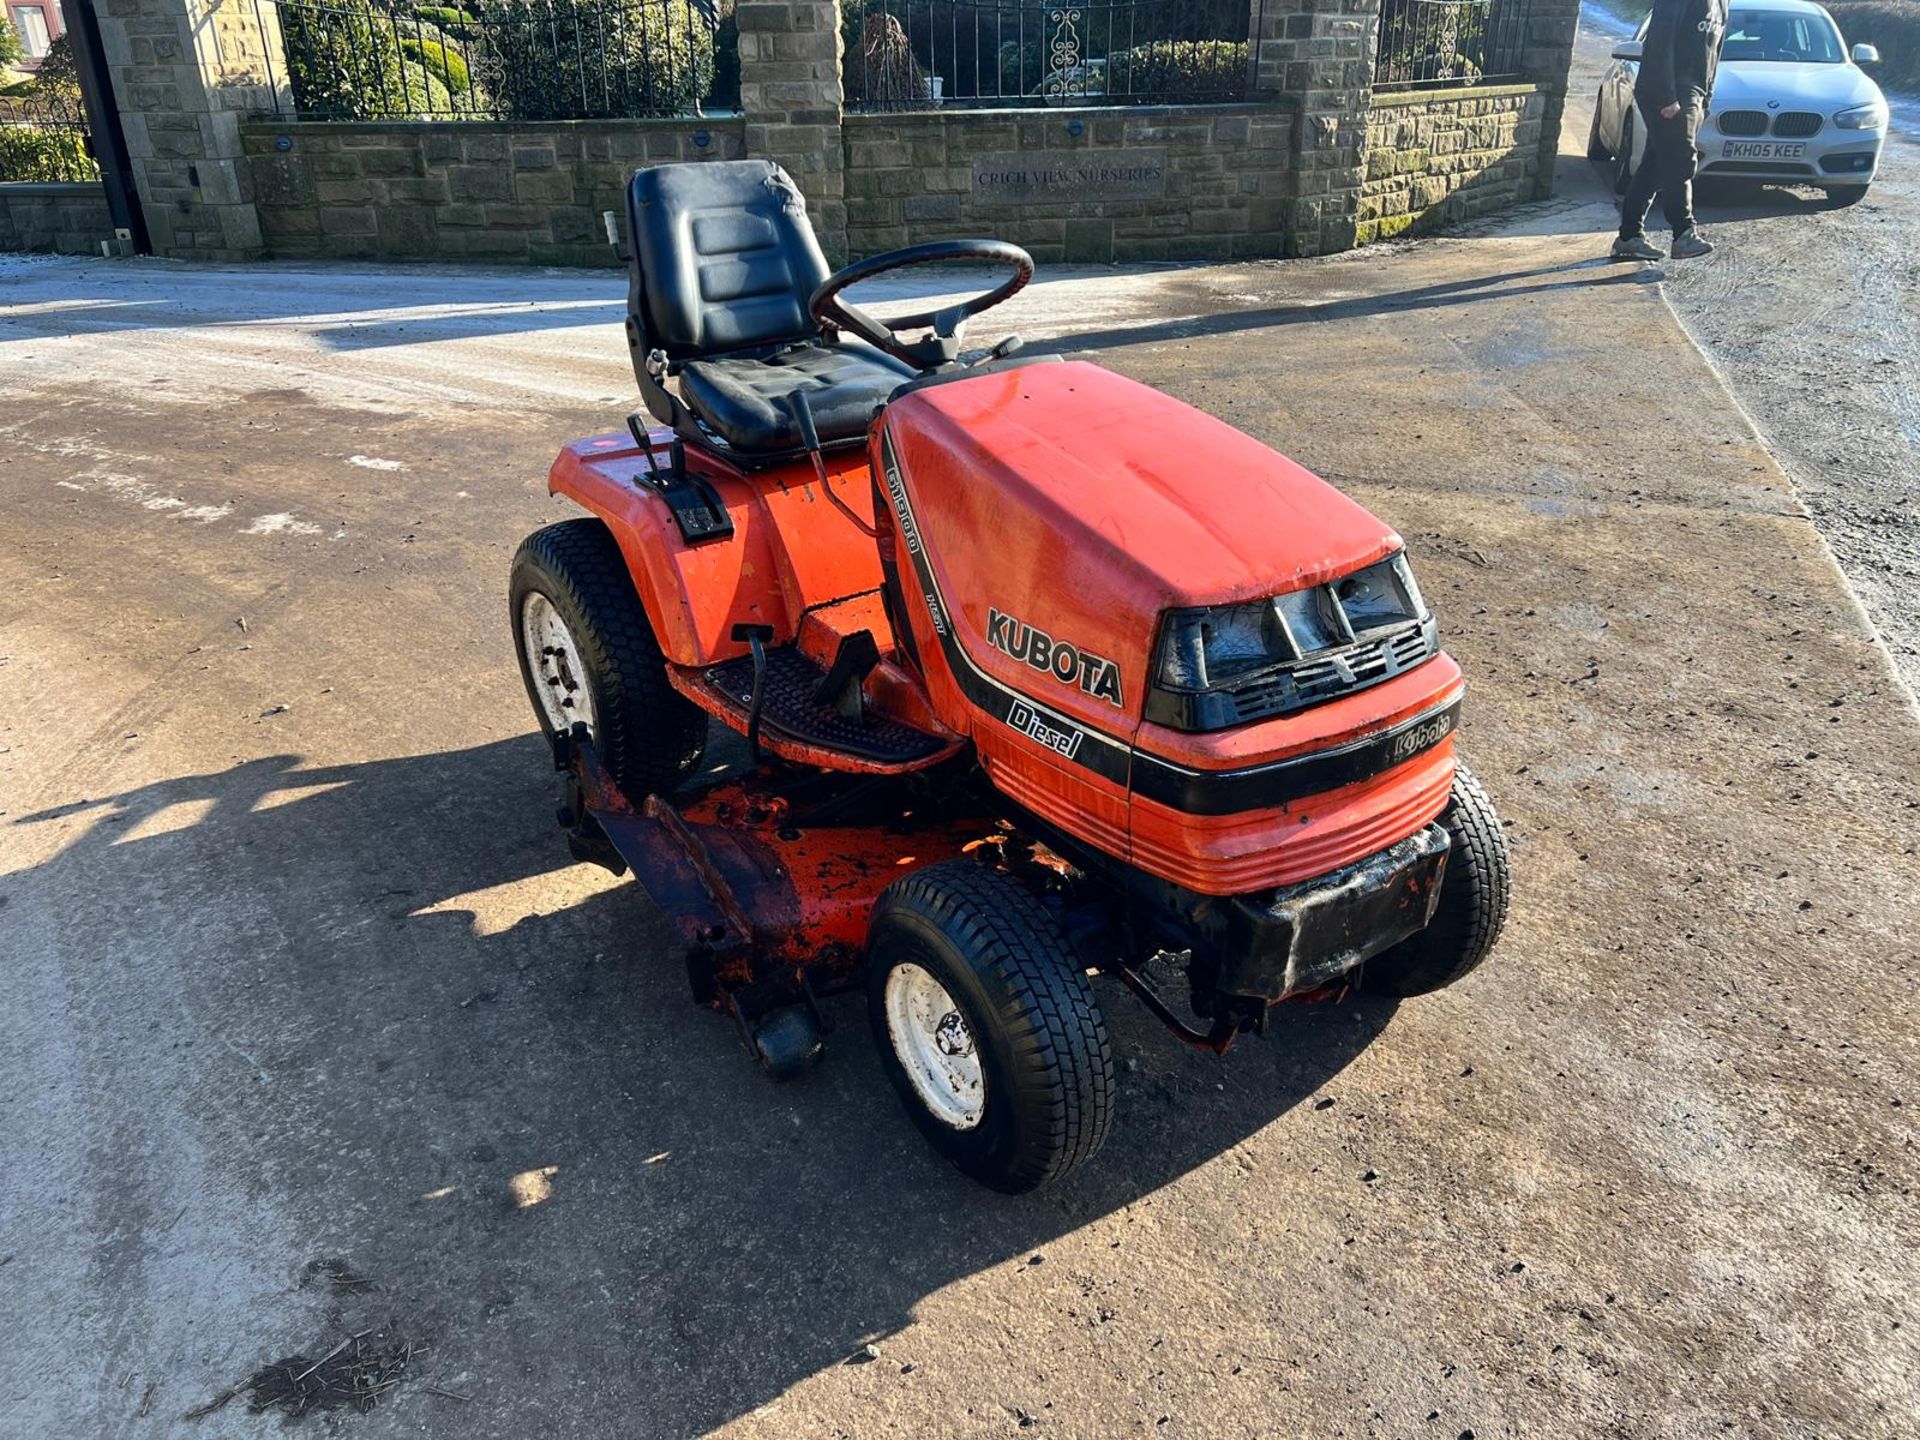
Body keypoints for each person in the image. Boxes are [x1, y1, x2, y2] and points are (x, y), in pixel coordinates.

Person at [1612, 0, 1729, 261]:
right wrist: (1666, 95)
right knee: (1680, 157)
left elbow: (1714, 51)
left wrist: (1706, 97)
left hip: (1694, 91)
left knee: (1655, 164)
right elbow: (1659, 39)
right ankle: (1684, 233)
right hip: (1668, 87)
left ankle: (1629, 237)